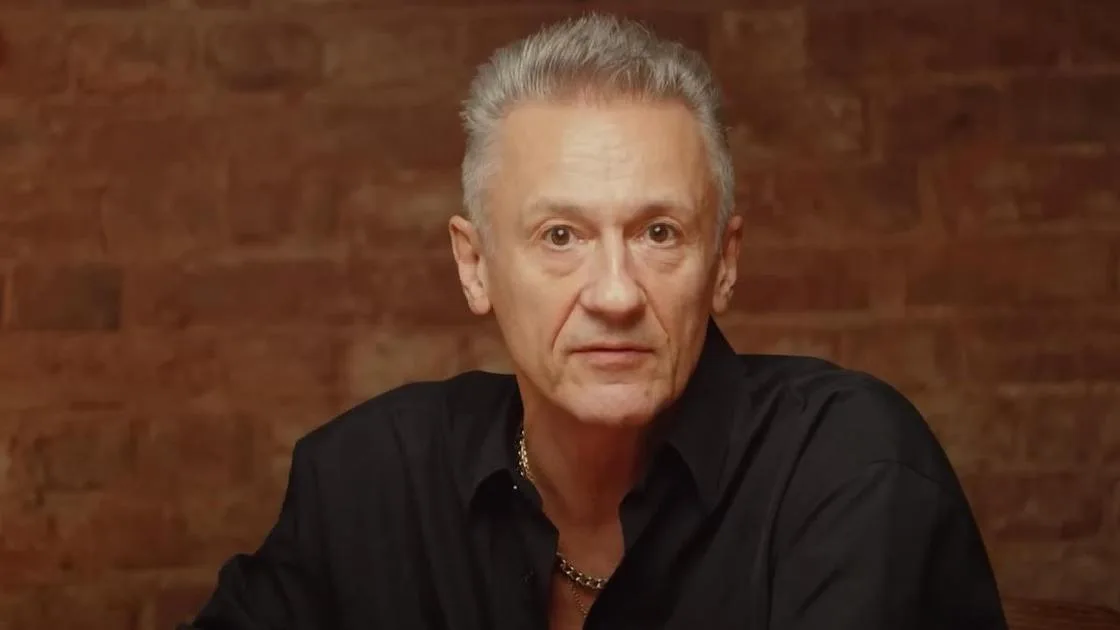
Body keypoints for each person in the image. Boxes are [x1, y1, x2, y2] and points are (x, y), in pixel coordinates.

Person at [185, 13, 1008, 630]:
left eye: (659, 233)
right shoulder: (365, 482)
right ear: (475, 266)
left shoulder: (849, 469)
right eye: (560, 236)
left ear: (723, 264)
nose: (615, 293)